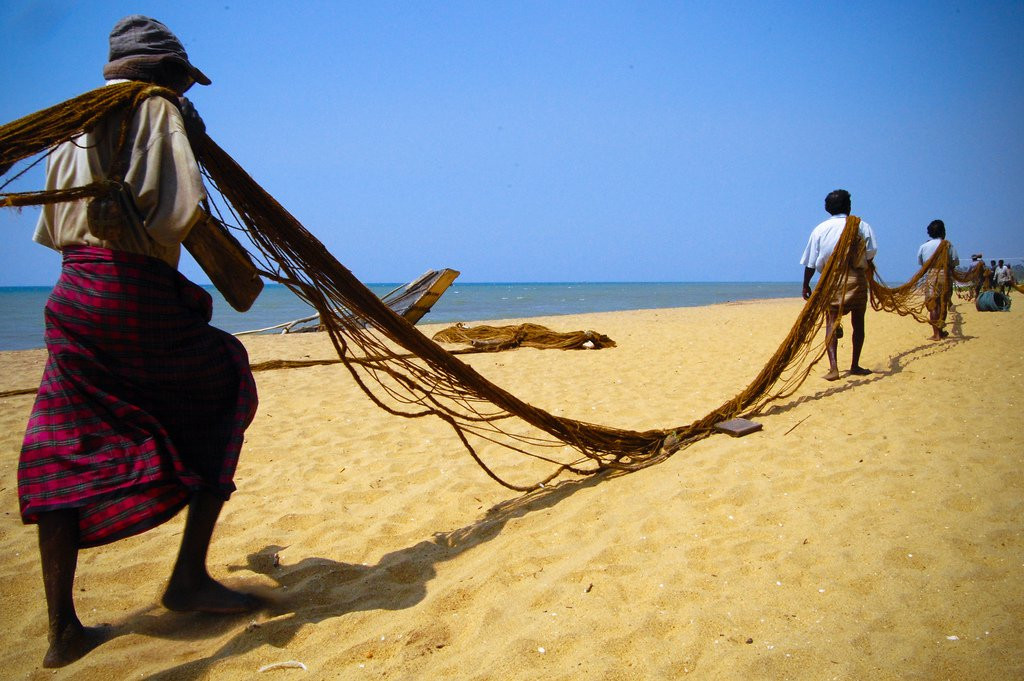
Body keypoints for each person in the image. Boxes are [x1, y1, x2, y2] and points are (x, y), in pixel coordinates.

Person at [19, 16, 260, 668]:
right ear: (165, 75)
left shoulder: (77, 116)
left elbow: (51, 226)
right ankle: (187, 577)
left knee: (60, 441)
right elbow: (180, 211)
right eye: (184, 81)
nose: (188, 92)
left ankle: (63, 628)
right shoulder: (156, 110)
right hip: (131, 292)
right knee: (228, 375)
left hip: (71, 298)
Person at [800, 189, 878, 381]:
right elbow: (870, 253)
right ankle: (855, 365)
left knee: (831, 321)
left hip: (832, 280)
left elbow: (811, 262)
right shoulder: (862, 226)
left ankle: (834, 368)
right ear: (849, 206)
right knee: (858, 322)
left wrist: (806, 284)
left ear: (828, 208)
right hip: (857, 279)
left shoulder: (820, 229)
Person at [917, 220, 959, 341]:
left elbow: (921, 262)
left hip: (931, 275)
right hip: (945, 275)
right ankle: (940, 332)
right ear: (943, 231)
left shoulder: (924, 246)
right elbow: (955, 261)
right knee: (943, 303)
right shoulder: (948, 245)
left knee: (933, 305)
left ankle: (936, 334)